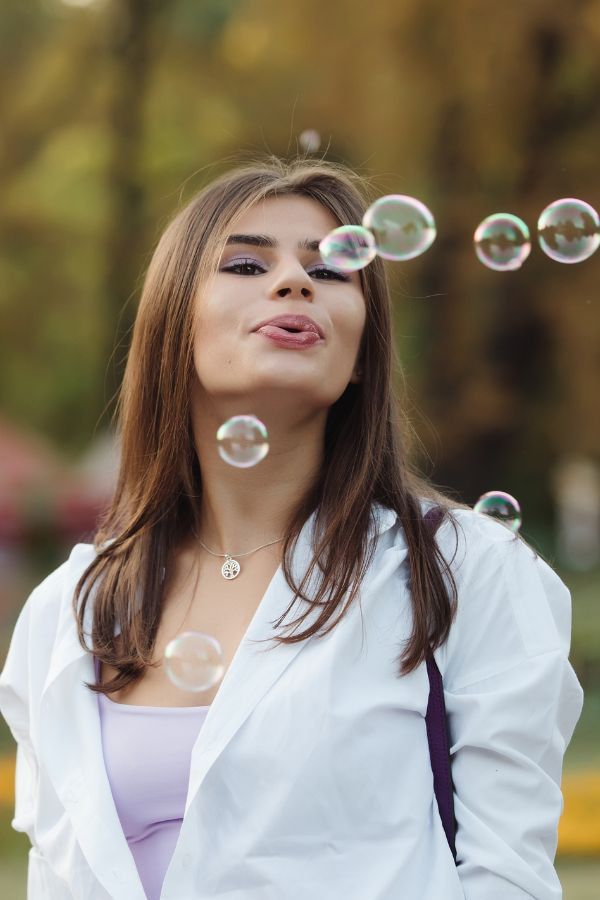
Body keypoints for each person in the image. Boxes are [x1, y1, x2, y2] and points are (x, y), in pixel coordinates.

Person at [0, 156, 584, 900]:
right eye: (246, 262)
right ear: (171, 325)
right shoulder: (68, 609)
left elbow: (510, 880)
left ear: (362, 356)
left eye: (333, 271)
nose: (295, 282)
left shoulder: (467, 571)